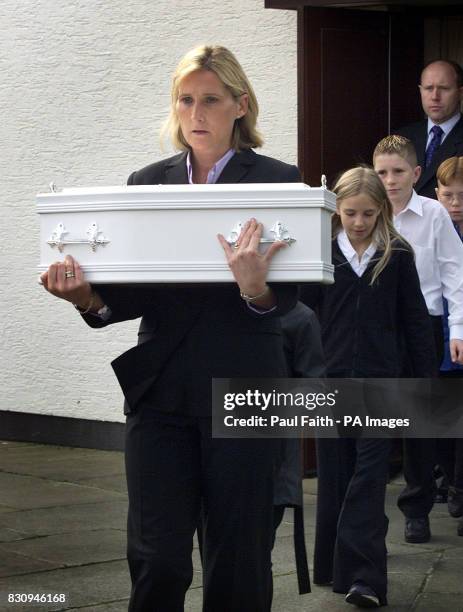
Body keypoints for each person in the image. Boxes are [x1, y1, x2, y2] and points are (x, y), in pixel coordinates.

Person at [40, 45, 303, 612]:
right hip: (161, 390)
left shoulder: (279, 180)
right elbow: (129, 294)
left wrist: (256, 288)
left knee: (238, 560)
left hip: (246, 390)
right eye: (186, 100)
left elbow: (299, 298)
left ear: (241, 105)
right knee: (157, 558)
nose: (196, 112)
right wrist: (87, 297)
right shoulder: (147, 182)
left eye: (210, 99)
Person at [301, 166, 435, 608]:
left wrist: (424, 383)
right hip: (330, 381)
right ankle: (332, 566)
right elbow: (302, 318)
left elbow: (415, 321)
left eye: (369, 214)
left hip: (383, 383)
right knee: (335, 475)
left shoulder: (396, 255)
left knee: (369, 477)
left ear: (382, 212)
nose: (359, 222)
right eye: (351, 213)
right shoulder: (322, 254)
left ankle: (365, 579)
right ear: (336, 211)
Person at [373, 135, 463, 545]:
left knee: (421, 422)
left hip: (423, 327)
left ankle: (417, 509)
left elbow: (453, 274)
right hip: (377, 328)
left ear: (417, 173)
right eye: (381, 172)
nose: (389, 181)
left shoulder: (433, 215)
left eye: (397, 172)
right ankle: (367, 509)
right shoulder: (366, 214)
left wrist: (457, 330)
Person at [435, 157, 463, 532]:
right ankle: (443, 477)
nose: (455, 203)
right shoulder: (432, 225)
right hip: (439, 329)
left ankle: (459, 487)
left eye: (462, 195)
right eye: (448, 195)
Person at [396, 59, 463, 200]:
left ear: (460, 92)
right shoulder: (402, 138)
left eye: (444, 89)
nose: (435, 97)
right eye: (428, 88)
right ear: (420, 91)